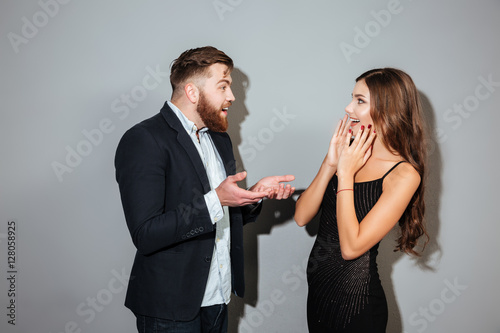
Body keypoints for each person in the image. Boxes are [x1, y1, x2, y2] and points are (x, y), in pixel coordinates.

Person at [115, 46, 295, 333]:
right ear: (192, 92)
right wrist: (216, 199)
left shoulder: (219, 139)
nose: (232, 97)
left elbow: (222, 212)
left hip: (218, 299)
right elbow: (146, 234)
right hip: (170, 310)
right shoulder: (143, 139)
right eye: (223, 86)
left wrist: (253, 197)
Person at [294, 68, 428, 332]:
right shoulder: (350, 152)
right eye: (352, 98)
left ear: (387, 109)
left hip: (357, 304)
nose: (348, 108)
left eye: (360, 100)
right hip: (320, 297)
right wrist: (331, 163)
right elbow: (301, 216)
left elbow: (351, 248)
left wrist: (345, 173)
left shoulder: (403, 174)